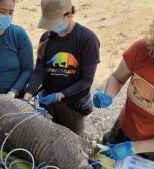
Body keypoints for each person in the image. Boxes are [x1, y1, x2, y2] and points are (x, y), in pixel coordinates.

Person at [93, 2, 154, 168]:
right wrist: (108, 95)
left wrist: (134, 147)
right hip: (124, 128)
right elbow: (118, 78)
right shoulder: (141, 49)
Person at [23, 0, 100, 135]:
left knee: (69, 145)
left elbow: (86, 80)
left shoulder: (87, 39)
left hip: (73, 107)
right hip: (47, 102)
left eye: (54, 22)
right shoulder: (46, 38)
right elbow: (39, 70)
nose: (51, 28)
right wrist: (28, 95)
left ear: (69, 14)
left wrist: (60, 95)